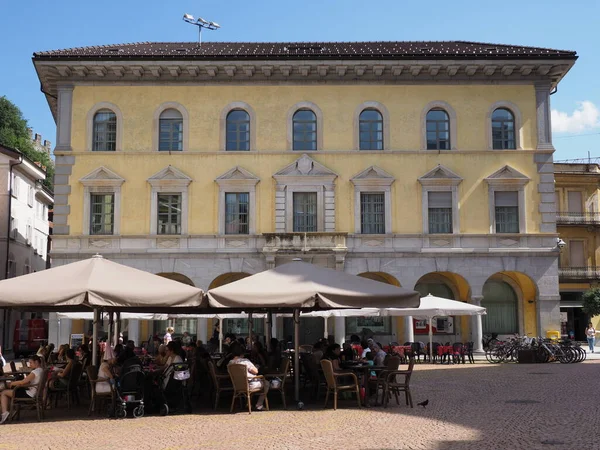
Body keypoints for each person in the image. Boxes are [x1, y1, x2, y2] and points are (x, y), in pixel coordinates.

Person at [0, 355, 44, 424]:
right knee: (8, 391)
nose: (30, 365)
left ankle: (5, 413)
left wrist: (12, 383)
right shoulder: (41, 370)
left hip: (29, 394)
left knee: (3, 393)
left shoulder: (35, 372)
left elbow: (23, 381)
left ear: (36, 362)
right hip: (33, 392)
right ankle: (7, 411)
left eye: (31, 363)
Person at [228, 345, 269, 411]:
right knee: (266, 383)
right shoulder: (245, 361)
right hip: (250, 384)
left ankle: (248, 403)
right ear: (242, 353)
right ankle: (259, 404)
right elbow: (256, 371)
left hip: (237, 385)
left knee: (252, 387)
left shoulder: (230, 363)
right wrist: (256, 367)